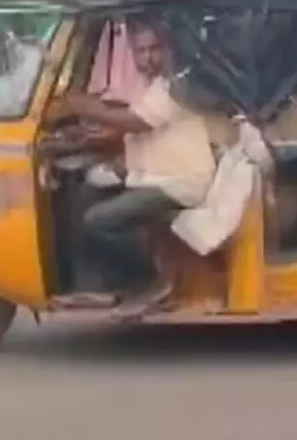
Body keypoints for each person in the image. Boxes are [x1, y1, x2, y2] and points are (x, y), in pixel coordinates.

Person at [55, 19, 215, 313]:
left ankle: (150, 283)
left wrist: (87, 107)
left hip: (180, 182)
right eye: (140, 51)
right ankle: (93, 285)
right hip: (150, 176)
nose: (148, 57)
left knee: (100, 220)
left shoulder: (176, 83)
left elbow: (136, 122)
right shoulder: (147, 85)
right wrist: (85, 137)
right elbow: (137, 125)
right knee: (82, 191)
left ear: (168, 49)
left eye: (154, 49)